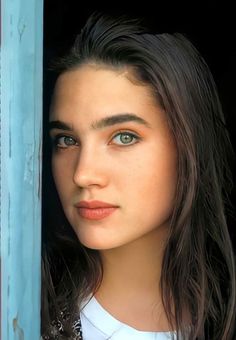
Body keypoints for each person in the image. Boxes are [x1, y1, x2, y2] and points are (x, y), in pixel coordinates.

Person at [41, 12, 236, 340]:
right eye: (67, 140)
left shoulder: (223, 316)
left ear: (188, 147)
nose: (84, 174)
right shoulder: (26, 318)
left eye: (123, 137)